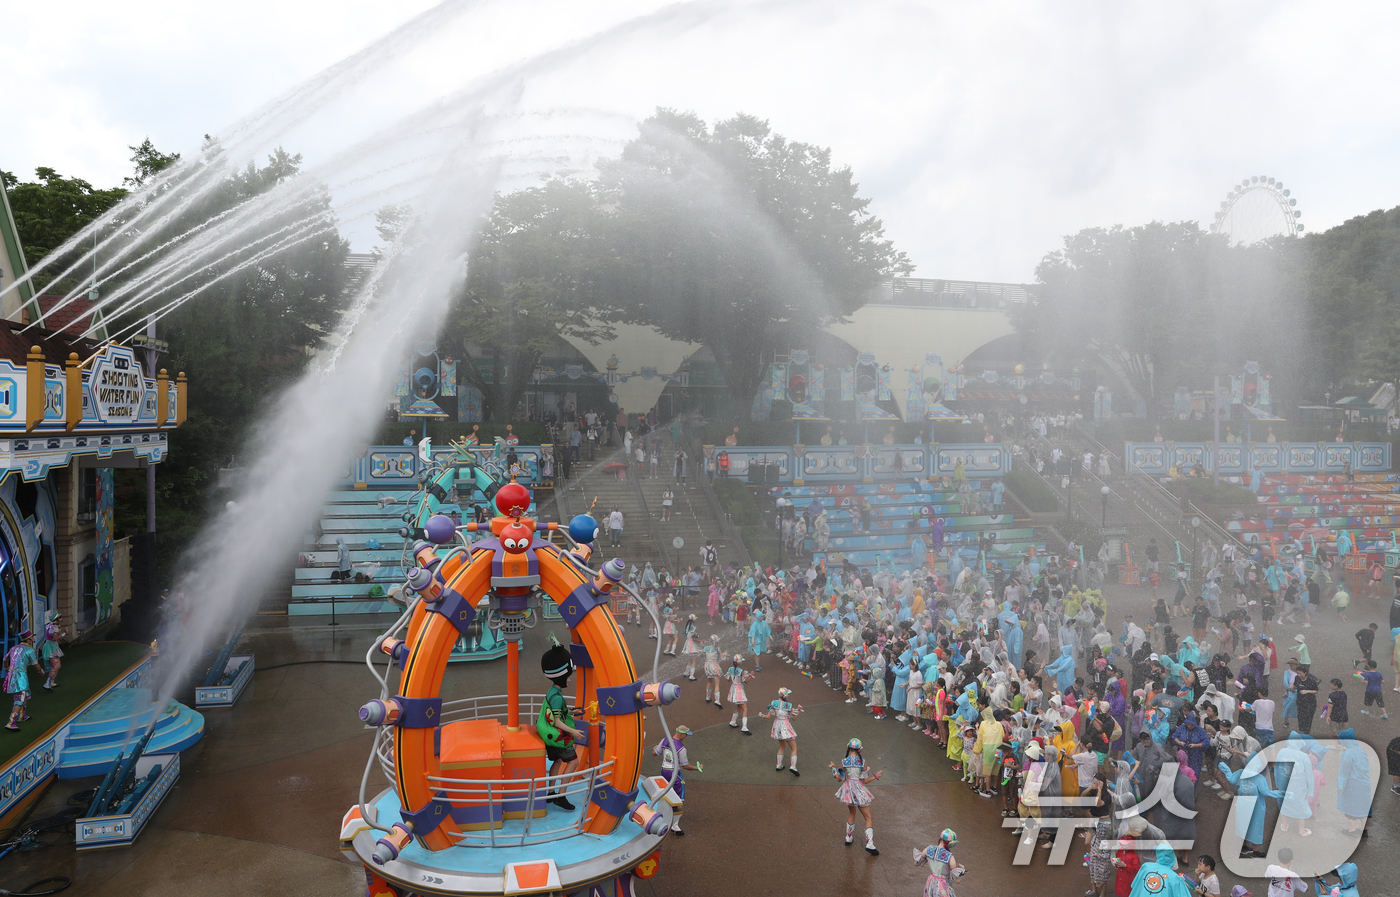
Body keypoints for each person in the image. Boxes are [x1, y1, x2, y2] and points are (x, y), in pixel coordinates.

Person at [537, 640, 583, 809]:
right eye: (568, 677)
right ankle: (561, 795)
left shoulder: (552, 691)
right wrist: (574, 731)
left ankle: (550, 793)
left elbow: (555, 713)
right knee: (574, 762)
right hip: (559, 737)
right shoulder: (557, 697)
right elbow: (557, 721)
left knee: (556, 761)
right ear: (562, 675)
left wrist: (570, 712)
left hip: (549, 736)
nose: (569, 680)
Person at [831, 737, 882, 854]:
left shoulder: (844, 762)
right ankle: (870, 844)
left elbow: (840, 779)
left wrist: (833, 768)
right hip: (859, 791)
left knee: (852, 812)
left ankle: (848, 837)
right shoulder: (863, 762)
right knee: (868, 817)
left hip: (848, 791)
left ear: (849, 748)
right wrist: (876, 776)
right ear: (860, 749)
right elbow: (864, 780)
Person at [653, 725, 699, 835]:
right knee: (679, 798)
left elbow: (655, 753)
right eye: (686, 735)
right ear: (681, 734)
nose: (686, 737)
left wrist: (655, 748)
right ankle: (674, 825)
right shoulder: (681, 748)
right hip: (675, 774)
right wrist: (697, 768)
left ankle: (661, 816)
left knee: (665, 794)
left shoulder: (664, 740)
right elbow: (685, 765)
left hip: (664, 771)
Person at [3, 631, 41, 732]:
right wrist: (41, 671)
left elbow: (5, 660)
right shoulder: (30, 650)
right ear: (28, 639)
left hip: (12, 675)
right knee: (19, 699)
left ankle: (21, 716)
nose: (33, 639)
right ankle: (11, 722)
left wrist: (7, 669)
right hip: (21, 677)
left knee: (26, 694)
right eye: (32, 638)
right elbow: (35, 664)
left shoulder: (13, 648)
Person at [762, 686, 802, 775]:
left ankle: (779, 765)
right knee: (794, 747)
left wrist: (762, 715)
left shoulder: (773, 703)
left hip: (777, 726)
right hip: (785, 726)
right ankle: (793, 766)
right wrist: (798, 710)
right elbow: (794, 718)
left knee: (782, 746)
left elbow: (768, 716)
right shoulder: (788, 705)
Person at [914, 828, 965, 897]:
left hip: (930, 882)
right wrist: (962, 870)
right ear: (949, 843)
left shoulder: (929, 849)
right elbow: (957, 881)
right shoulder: (950, 857)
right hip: (943, 885)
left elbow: (916, 863)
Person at [725, 654, 754, 733]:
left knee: (739, 707)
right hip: (739, 690)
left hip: (733, 689)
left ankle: (732, 721)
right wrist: (751, 675)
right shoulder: (741, 671)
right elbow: (746, 681)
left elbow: (728, 679)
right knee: (745, 708)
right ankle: (744, 727)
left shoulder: (730, 669)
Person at [38, 611, 66, 690]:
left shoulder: (53, 626)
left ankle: (52, 682)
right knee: (56, 665)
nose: (61, 619)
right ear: (56, 619)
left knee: (58, 665)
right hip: (50, 647)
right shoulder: (53, 627)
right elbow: (56, 638)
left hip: (53, 646)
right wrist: (64, 633)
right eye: (59, 618)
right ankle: (48, 683)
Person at [702, 634, 724, 708]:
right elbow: (722, 658)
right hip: (714, 666)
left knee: (709, 681)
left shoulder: (706, 648)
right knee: (717, 684)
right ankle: (717, 700)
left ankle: (707, 697)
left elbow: (701, 654)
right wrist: (725, 654)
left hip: (707, 666)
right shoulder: (717, 648)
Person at [681, 615, 701, 679]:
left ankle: (686, 672)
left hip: (687, 644)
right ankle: (691, 675)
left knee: (691, 659)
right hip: (692, 645)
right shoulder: (694, 628)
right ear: (694, 620)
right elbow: (694, 638)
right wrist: (701, 641)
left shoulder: (687, 627)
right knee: (694, 660)